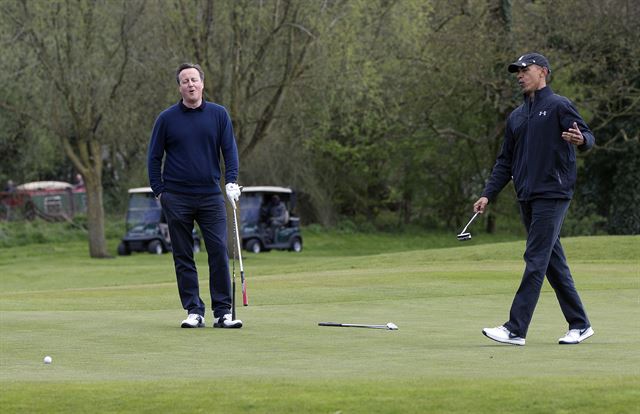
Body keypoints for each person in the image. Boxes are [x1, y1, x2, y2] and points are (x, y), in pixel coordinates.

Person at [475, 53, 595, 346]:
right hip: (527, 195)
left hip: (553, 192)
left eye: (524, 70)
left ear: (542, 72)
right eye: (517, 71)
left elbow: (588, 136)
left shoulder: (559, 106)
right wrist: (488, 194)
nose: (519, 75)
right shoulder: (517, 116)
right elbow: (505, 161)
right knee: (552, 262)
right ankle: (580, 324)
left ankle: (515, 329)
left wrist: (581, 141)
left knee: (535, 258)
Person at [148, 63, 243, 329]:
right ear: (179, 87)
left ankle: (222, 312)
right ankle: (194, 310)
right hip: (176, 197)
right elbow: (154, 158)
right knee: (183, 255)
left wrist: (232, 180)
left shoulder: (218, 114)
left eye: (194, 80)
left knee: (218, 252)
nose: (190, 84)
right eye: (185, 81)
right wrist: (160, 191)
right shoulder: (167, 119)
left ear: (202, 83)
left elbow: (229, 151)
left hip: (211, 196)